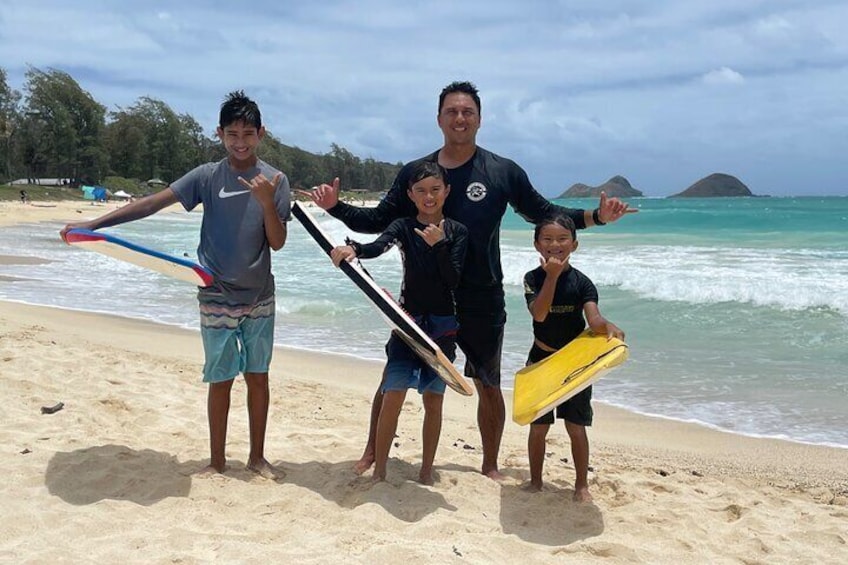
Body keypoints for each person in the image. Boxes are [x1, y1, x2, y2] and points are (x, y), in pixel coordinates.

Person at [303, 80, 635, 480]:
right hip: (426, 296)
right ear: (439, 118)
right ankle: (372, 451)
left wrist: (597, 217)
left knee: (487, 382)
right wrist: (336, 208)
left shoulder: (501, 171)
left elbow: (544, 212)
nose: (460, 118)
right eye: (452, 112)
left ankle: (490, 464)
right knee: (394, 375)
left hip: (482, 296)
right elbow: (379, 221)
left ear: (479, 118)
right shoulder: (418, 172)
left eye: (468, 112)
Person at [59, 91, 291, 479]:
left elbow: (277, 243)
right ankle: (217, 461)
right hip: (215, 292)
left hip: (259, 296)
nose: (240, 141)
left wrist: (268, 202)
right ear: (219, 133)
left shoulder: (276, 181)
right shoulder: (207, 176)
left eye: (248, 133)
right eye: (232, 133)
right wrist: (94, 226)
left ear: (261, 133)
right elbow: (153, 202)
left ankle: (256, 457)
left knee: (258, 376)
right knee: (219, 379)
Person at [330, 161, 468, 485]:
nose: (428, 196)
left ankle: (426, 469)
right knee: (393, 393)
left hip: (443, 327)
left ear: (446, 191)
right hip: (408, 323)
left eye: (435, 189)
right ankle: (380, 471)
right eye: (420, 190)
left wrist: (440, 246)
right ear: (410, 194)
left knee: (433, 401)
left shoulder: (458, 232)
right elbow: (379, 246)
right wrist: (354, 249)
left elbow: (454, 280)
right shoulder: (404, 226)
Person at [522, 215, 624, 501]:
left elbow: (593, 318)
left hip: (574, 364)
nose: (555, 244)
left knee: (576, 427)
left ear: (574, 245)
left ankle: (581, 485)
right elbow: (539, 314)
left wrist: (608, 326)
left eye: (562, 239)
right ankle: (535, 481)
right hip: (541, 360)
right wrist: (551, 278)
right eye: (548, 239)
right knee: (539, 426)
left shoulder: (583, 283)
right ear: (537, 245)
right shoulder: (532, 278)